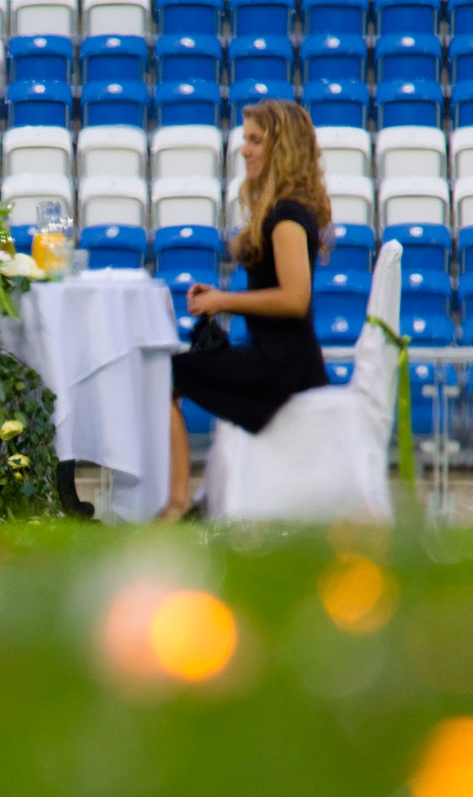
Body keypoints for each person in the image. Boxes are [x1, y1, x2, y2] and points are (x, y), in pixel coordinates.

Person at [158, 99, 334, 521]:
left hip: (281, 369)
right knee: (168, 375)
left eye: (256, 141)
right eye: (245, 140)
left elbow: (294, 299)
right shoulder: (281, 211)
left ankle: (179, 504)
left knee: (162, 375)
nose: (245, 150)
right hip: (281, 362)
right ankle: (184, 502)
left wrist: (222, 301)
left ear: (282, 149)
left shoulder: (287, 217)